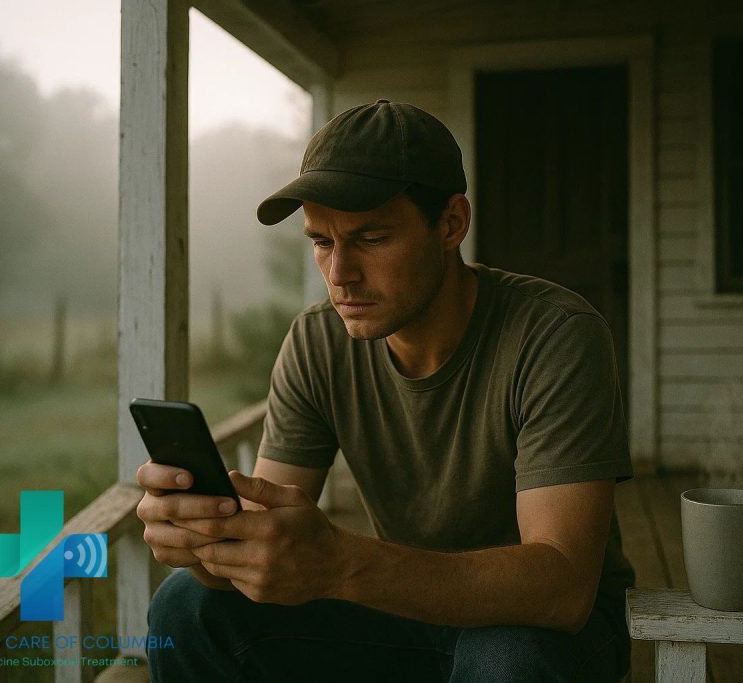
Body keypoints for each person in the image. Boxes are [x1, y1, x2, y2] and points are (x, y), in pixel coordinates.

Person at [137, 99, 635, 682]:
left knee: (503, 660)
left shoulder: (554, 334)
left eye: (371, 238)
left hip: (547, 627)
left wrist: (340, 564)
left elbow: (562, 587)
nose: (339, 273)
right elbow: (266, 541)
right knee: (186, 606)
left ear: (451, 224)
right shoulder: (318, 341)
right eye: (322, 242)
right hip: (403, 608)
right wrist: (206, 543)